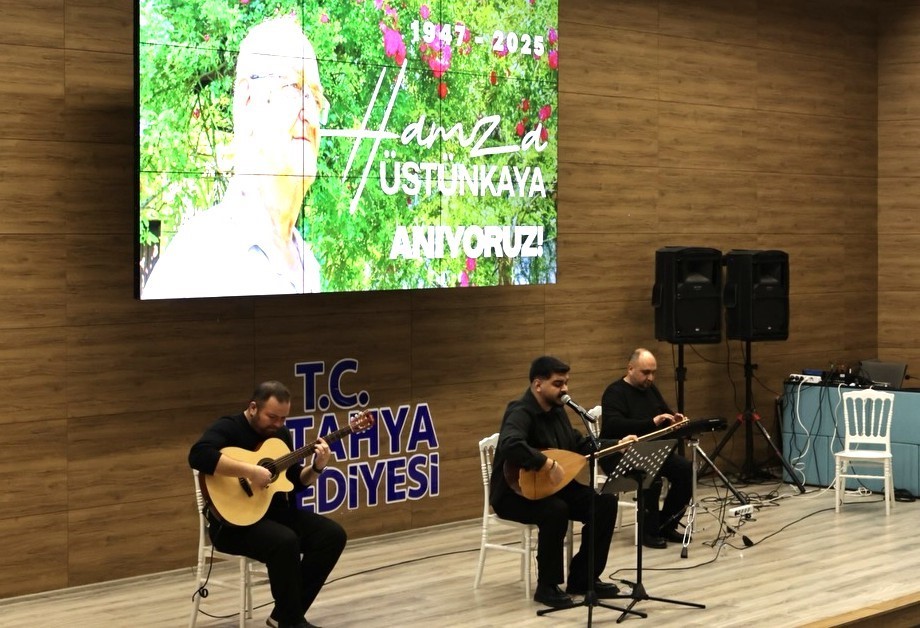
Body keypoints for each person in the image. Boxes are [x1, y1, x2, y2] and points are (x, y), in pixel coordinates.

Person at [143, 16, 328, 299]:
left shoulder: (308, 267)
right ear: (247, 101)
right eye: (293, 87)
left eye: (315, 98)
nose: (310, 115)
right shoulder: (197, 260)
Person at [189, 380, 345, 628]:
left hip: (274, 514)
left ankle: (283, 615)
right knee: (285, 541)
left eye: (283, 418)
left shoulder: (280, 435)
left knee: (332, 535)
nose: (278, 424)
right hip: (231, 525)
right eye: (272, 417)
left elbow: (294, 482)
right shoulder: (229, 427)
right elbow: (198, 455)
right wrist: (250, 471)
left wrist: (317, 467)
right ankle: (291, 622)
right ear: (253, 408)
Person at [490, 356, 637, 609]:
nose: (565, 389)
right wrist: (544, 463)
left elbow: (579, 444)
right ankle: (547, 587)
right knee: (555, 510)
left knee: (604, 503)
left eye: (566, 382)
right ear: (538, 385)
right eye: (558, 384)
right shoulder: (520, 410)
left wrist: (616, 445)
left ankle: (583, 578)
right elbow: (510, 443)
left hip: (553, 487)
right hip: (514, 494)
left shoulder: (557, 411)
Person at [600, 348, 694, 550]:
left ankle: (666, 524)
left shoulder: (650, 389)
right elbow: (614, 425)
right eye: (645, 372)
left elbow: (664, 413)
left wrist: (674, 419)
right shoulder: (614, 392)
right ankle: (647, 532)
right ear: (630, 368)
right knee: (652, 475)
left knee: (686, 470)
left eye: (653, 372)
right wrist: (651, 422)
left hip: (649, 450)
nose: (650, 378)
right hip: (617, 453)